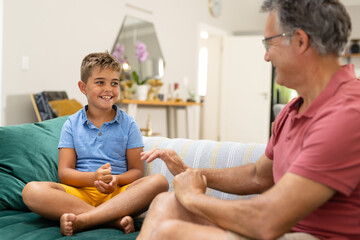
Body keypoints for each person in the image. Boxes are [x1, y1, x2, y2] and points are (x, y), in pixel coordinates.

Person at [136, 0, 360, 239]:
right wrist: (190, 172)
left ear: (300, 41)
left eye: (269, 42)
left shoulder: (347, 114)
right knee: (164, 204)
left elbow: (266, 220)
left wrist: (193, 197)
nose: (265, 56)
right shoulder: (292, 110)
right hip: (286, 228)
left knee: (173, 232)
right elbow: (257, 175)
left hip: (317, 236)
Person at [22, 52, 169, 236]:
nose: (108, 89)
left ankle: (85, 220)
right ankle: (112, 220)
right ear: (83, 87)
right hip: (80, 194)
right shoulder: (71, 124)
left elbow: (137, 171)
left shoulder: (129, 124)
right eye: (100, 82)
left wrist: (117, 179)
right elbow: (64, 174)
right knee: (31, 191)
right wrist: (94, 178)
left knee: (159, 182)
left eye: (114, 83)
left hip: (118, 194)